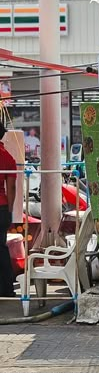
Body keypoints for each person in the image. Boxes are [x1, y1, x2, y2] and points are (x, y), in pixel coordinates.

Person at [0, 122, 17, 297]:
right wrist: (10, 210)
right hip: (2, 207)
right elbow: (11, 187)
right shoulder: (8, 157)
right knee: (1, 249)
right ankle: (6, 289)